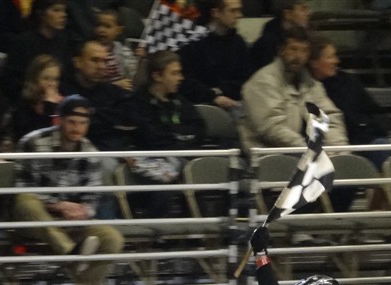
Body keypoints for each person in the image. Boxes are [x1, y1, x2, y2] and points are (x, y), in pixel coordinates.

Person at [13, 94, 124, 285]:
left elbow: (93, 197)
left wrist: (82, 211)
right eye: (72, 122)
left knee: (112, 238)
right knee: (25, 200)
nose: (77, 128)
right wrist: (57, 205)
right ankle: (71, 255)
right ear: (59, 120)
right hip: (35, 215)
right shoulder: (33, 142)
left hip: (70, 218)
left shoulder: (91, 153)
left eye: (83, 123)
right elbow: (22, 187)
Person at [239, 26, 348, 154]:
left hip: (301, 153)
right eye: (293, 49)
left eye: (304, 51)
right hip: (266, 154)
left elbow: (329, 118)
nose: (298, 56)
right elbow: (271, 128)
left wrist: (338, 150)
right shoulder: (262, 82)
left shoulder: (311, 83)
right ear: (281, 50)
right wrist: (310, 151)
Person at [124, 49, 204, 218]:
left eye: (179, 73)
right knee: (166, 176)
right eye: (174, 73)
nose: (180, 78)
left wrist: (178, 139)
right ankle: (157, 227)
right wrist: (180, 138)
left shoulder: (180, 100)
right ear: (157, 76)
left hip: (184, 154)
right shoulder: (138, 102)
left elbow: (199, 128)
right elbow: (152, 136)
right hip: (153, 159)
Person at [308, 35, 390, 171]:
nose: (336, 61)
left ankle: (385, 184)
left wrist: (368, 128)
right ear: (314, 62)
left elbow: (376, 112)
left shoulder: (349, 82)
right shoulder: (306, 88)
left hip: (362, 139)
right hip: (330, 143)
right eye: (330, 57)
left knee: (380, 145)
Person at [178, 0, 251, 111]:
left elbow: (247, 77)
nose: (239, 15)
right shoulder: (192, 42)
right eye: (233, 11)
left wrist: (221, 90)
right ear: (215, 13)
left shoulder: (238, 42)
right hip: (200, 105)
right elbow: (184, 80)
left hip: (235, 101)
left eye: (239, 10)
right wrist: (211, 95)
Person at [62, 38, 131, 151]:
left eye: (105, 61)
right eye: (95, 60)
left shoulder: (113, 92)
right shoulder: (62, 90)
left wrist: (93, 113)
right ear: (78, 62)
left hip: (113, 150)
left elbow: (129, 120)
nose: (102, 66)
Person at [1, 0, 71, 103]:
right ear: (41, 14)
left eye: (64, 11)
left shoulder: (63, 42)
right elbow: (8, 80)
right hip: (27, 102)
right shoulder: (24, 42)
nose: (63, 15)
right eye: (56, 10)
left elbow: (66, 78)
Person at [249, 0, 311, 72]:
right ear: (288, 14)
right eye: (303, 9)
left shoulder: (306, 35)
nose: (308, 13)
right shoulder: (268, 43)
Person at [12, 53, 62, 140]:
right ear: (34, 80)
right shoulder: (24, 106)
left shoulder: (63, 105)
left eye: (55, 79)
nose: (51, 84)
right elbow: (37, 138)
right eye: (46, 78)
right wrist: (49, 106)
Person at [93, 7, 136, 92]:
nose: (101, 30)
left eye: (107, 26)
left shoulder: (125, 52)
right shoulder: (91, 51)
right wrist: (114, 84)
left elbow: (132, 77)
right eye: (98, 25)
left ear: (119, 30)